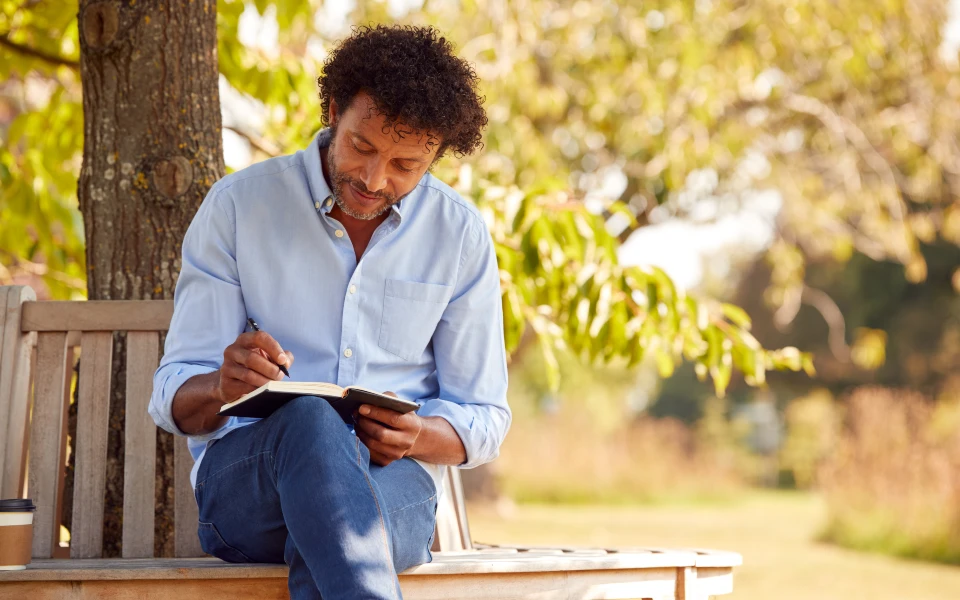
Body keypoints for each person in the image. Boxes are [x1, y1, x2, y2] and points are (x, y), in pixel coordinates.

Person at [148, 25, 510, 599]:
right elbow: (171, 395)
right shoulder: (240, 207)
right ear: (335, 112)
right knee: (311, 421)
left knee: (326, 536)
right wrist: (222, 384)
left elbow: (484, 416)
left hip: (393, 488)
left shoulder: (458, 235)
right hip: (248, 489)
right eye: (362, 147)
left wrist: (414, 436)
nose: (374, 179)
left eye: (405, 164)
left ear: (436, 154)